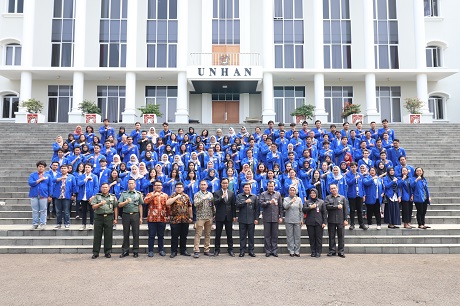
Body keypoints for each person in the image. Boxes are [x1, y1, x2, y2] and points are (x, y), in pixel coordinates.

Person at [91, 182, 118, 259]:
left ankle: (107, 252)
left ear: (109, 188)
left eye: (106, 187)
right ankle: (96, 252)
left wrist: (115, 218)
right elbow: (93, 207)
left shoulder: (112, 197)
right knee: (97, 235)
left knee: (108, 235)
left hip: (109, 217)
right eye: (103, 187)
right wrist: (100, 204)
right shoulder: (97, 196)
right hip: (98, 217)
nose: (104, 189)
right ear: (101, 188)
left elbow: (115, 207)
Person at [166, 182, 194, 258]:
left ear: (183, 188)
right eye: (177, 187)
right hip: (175, 219)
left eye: (180, 187)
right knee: (174, 236)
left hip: (185, 219)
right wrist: (176, 197)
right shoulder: (172, 195)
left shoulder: (186, 196)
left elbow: (189, 206)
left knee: (184, 236)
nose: (179, 188)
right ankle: (173, 251)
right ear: (175, 188)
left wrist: (190, 217)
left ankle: (183, 250)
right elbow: (167, 203)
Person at [118, 179, 144, 258]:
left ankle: (135, 250)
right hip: (126, 215)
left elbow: (140, 206)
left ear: (135, 185)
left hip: (135, 215)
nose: (130, 185)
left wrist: (141, 217)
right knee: (126, 233)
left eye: (132, 183)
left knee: (136, 233)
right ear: (127, 185)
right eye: (129, 183)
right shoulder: (124, 194)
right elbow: (119, 205)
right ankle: (125, 250)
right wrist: (126, 202)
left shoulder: (138, 194)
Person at [143, 180, 169, 257]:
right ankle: (150, 250)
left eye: (160, 185)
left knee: (161, 235)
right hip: (152, 218)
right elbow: (145, 201)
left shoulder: (165, 195)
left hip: (162, 218)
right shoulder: (150, 194)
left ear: (162, 186)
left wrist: (168, 215)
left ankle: (161, 250)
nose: (158, 186)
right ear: (154, 186)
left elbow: (168, 206)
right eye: (156, 185)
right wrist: (154, 196)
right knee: (151, 235)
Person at [213, 178, 237, 256]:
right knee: (218, 234)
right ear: (221, 184)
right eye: (223, 183)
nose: (225, 185)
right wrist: (221, 197)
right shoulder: (217, 193)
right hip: (220, 216)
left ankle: (230, 249)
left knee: (229, 234)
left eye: (226, 183)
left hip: (229, 216)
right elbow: (215, 202)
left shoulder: (231, 193)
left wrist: (234, 216)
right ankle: (217, 250)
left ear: (228, 184)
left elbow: (233, 205)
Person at [259, 181, 283, 257]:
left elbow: (280, 207)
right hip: (267, 217)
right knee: (267, 235)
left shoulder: (278, 194)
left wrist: (281, 217)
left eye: (272, 186)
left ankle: (274, 250)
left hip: (275, 217)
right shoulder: (263, 194)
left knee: (275, 235)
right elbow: (261, 204)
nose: (271, 188)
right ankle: (268, 250)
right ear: (267, 186)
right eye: (269, 186)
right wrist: (269, 202)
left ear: (274, 186)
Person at [325, 184, 349, 258]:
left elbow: (345, 209)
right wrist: (336, 207)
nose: (333, 190)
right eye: (331, 189)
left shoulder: (342, 198)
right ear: (330, 190)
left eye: (334, 188)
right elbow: (327, 207)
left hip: (340, 220)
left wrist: (346, 219)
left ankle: (341, 251)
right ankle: (332, 251)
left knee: (341, 236)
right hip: (331, 220)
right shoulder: (328, 198)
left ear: (337, 188)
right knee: (331, 236)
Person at [192, 180, 215, 258]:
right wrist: (203, 198)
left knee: (207, 234)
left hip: (209, 216)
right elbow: (195, 204)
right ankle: (196, 250)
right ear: (199, 186)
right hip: (200, 217)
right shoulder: (197, 194)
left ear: (207, 186)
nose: (203, 186)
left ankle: (206, 249)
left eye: (204, 184)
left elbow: (212, 205)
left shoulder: (210, 194)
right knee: (198, 234)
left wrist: (214, 213)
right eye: (201, 184)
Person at [236, 183, 259, 257]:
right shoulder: (239, 196)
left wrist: (256, 218)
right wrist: (245, 202)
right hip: (242, 219)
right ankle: (242, 250)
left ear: (250, 188)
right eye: (245, 188)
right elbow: (237, 205)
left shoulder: (254, 197)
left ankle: (251, 250)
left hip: (251, 219)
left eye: (248, 188)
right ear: (243, 188)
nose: (247, 189)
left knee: (251, 236)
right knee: (242, 236)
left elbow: (257, 209)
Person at [28, 161, 53, 230]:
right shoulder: (33, 175)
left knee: (43, 210)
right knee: (35, 210)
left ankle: (43, 223)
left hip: (44, 195)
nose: (41, 168)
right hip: (34, 194)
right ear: (37, 167)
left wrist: (50, 195)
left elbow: (50, 186)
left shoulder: (48, 176)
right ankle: (35, 223)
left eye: (42, 166)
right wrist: (39, 180)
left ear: (44, 168)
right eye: (39, 166)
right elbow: (31, 183)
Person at [52, 164, 77, 229]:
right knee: (58, 211)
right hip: (58, 196)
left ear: (68, 169)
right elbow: (53, 180)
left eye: (65, 168)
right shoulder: (57, 175)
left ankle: (67, 223)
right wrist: (61, 178)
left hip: (67, 196)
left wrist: (74, 195)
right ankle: (58, 223)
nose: (63, 169)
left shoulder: (71, 177)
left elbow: (74, 186)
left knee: (66, 211)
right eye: (62, 168)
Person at [303, 188, 327, 257]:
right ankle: (313, 251)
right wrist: (310, 208)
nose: (312, 194)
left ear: (316, 193)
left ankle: (318, 252)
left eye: (314, 193)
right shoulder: (307, 202)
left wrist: (324, 222)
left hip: (319, 222)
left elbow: (324, 213)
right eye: (311, 193)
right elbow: (304, 210)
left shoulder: (321, 202)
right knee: (312, 238)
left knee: (319, 238)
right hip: (310, 222)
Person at [77, 163, 99, 230]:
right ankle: (83, 224)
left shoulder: (94, 176)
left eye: (88, 167)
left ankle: (91, 224)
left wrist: (93, 196)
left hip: (90, 196)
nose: (87, 168)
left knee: (92, 211)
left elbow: (96, 187)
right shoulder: (81, 176)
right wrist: (85, 179)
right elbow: (79, 183)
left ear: (91, 168)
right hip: (83, 196)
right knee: (83, 211)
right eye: (86, 167)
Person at [346, 162, 368, 230]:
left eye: (354, 167)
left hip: (359, 194)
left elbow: (362, 185)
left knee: (360, 210)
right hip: (352, 195)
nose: (353, 168)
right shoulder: (348, 175)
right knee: (352, 210)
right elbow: (349, 183)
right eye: (352, 167)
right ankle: (352, 224)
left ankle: (361, 224)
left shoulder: (360, 175)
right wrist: (355, 178)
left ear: (356, 167)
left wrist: (364, 194)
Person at [283, 185, 304, 257]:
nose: (292, 191)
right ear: (289, 191)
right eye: (291, 190)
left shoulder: (299, 199)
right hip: (289, 220)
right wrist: (291, 201)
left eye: (293, 190)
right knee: (290, 236)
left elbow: (301, 210)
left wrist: (301, 219)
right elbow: (285, 207)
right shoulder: (286, 199)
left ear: (296, 191)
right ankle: (291, 250)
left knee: (297, 236)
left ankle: (297, 251)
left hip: (297, 220)